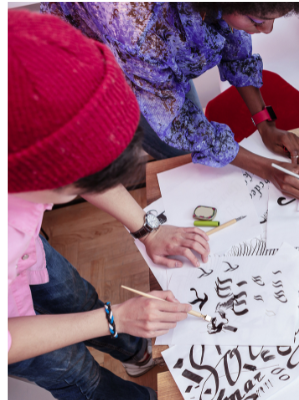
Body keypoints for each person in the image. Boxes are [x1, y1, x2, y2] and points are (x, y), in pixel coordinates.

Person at [8, 11, 210, 399]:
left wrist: (146, 229)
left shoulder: (23, 74)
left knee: (76, 296)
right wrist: (113, 317)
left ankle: (137, 354)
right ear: (34, 178)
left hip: (28, 256)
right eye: (77, 186)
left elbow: (76, 152)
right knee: (75, 374)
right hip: (14, 334)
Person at [43, 2, 299, 201]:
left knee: (200, 149)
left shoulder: (226, 8)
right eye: (259, 21)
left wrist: (265, 125)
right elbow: (181, 124)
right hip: (107, 64)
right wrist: (268, 170)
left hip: (151, 58)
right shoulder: (141, 30)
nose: (267, 30)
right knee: (179, 155)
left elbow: (234, 44)